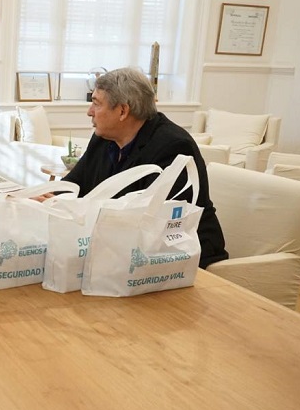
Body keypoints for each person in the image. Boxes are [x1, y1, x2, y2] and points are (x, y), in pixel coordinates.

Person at [48, 67, 228, 268]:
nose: (89, 112)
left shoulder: (173, 146)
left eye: (96, 104)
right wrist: (48, 199)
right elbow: (74, 185)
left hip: (183, 261)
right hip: (120, 253)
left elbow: (154, 222)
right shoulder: (103, 138)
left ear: (123, 111)